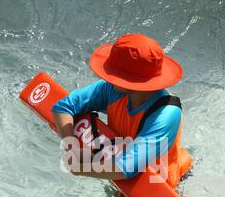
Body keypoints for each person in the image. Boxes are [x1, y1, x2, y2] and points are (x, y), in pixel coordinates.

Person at [52, 33, 192, 186]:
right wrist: (72, 147)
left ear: (131, 81)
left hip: (161, 186)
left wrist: (79, 167)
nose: (108, 76)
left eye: (114, 73)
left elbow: (127, 168)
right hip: (122, 168)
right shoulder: (112, 89)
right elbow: (64, 106)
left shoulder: (166, 114)